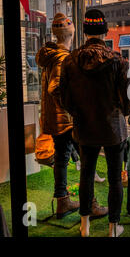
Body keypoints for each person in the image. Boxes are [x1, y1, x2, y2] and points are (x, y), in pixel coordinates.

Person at [60, 9, 130, 237]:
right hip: (113, 128)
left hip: (84, 127)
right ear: (104, 30)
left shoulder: (70, 61)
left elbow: (65, 99)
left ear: (84, 30)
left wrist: (79, 113)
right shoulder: (119, 61)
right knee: (114, 179)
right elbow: (127, 100)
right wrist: (123, 113)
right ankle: (112, 229)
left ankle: (85, 226)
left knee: (86, 175)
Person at [36, 13, 80, 219]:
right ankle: (87, 202)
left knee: (63, 159)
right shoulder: (63, 57)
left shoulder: (50, 55)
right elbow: (56, 87)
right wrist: (73, 108)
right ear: (70, 33)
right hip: (65, 119)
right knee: (82, 157)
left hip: (55, 118)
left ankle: (63, 200)